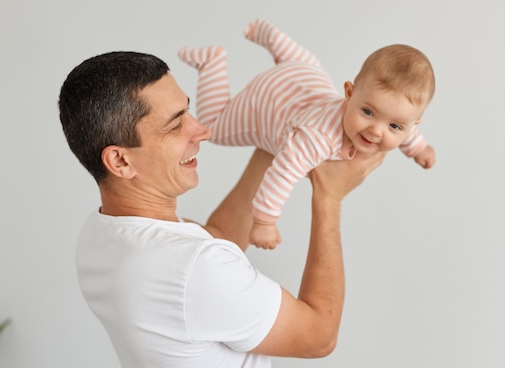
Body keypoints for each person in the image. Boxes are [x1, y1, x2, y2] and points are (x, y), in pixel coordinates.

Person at [58, 50, 383, 368]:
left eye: (188, 110)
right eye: (175, 124)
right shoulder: (194, 268)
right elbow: (320, 335)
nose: (202, 130)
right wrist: (329, 198)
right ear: (119, 160)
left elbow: (216, 237)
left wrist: (273, 141)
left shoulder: (101, 235)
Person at [179, 18, 436, 250]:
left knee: (306, 63)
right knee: (214, 127)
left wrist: (419, 149)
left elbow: (405, 127)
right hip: (267, 102)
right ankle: (211, 63)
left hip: (306, 77)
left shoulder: (396, 121)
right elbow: (282, 172)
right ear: (349, 93)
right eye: (368, 112)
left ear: (411, 125)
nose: (376, 131)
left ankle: (269, 35)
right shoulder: (317, 137)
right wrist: (265, 222)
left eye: (395, 127)